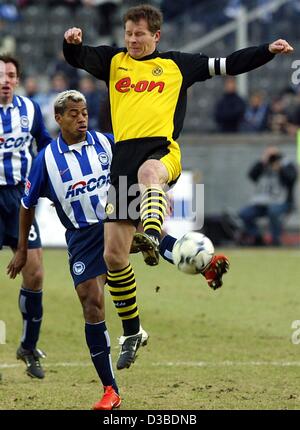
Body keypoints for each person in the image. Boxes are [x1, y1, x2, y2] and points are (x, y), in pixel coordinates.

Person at [63, 3, 293, 370]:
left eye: (140, 34)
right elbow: (77, 57)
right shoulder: (113, 61)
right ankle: (133, 331)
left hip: (160, 150)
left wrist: (266, 50)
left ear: (156, 35)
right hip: (122, 159)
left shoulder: (177, 65)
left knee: (151, 173)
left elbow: (228, 64)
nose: (133, 40)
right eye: (128, 33)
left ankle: (152, 235)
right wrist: (71, 43)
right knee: (113, 257)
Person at [7, 90, 121, 410]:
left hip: (114, 224)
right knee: (91, 301)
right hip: (82, 237)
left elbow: (134, 168)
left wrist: (150, 199)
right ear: (58, 119)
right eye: (73, 113)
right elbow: (27, 205)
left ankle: (200, 262)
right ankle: (110, 389)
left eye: (84, 112)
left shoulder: (107, 142)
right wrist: (21, 248)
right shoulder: (46, 160)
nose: (81, 118)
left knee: (155, 239)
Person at [0, 54, 52, 379]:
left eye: (10, 75)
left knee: (34, 275)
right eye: (0, 75)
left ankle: (28, 346)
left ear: (17, 79)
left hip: (19, 200)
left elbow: (44, 144)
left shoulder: (29, 109)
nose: (5, 81)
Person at [239, 146, 298, 246]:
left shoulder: (287, 164)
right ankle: (257, 238)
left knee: (273, 211)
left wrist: (280, 169)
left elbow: (292, 178)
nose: (272, 157)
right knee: (244, 213)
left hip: (283, 202)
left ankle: (275, 240)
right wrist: (262, 162)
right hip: (262, 203)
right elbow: (252, 176)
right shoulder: (263, 165)